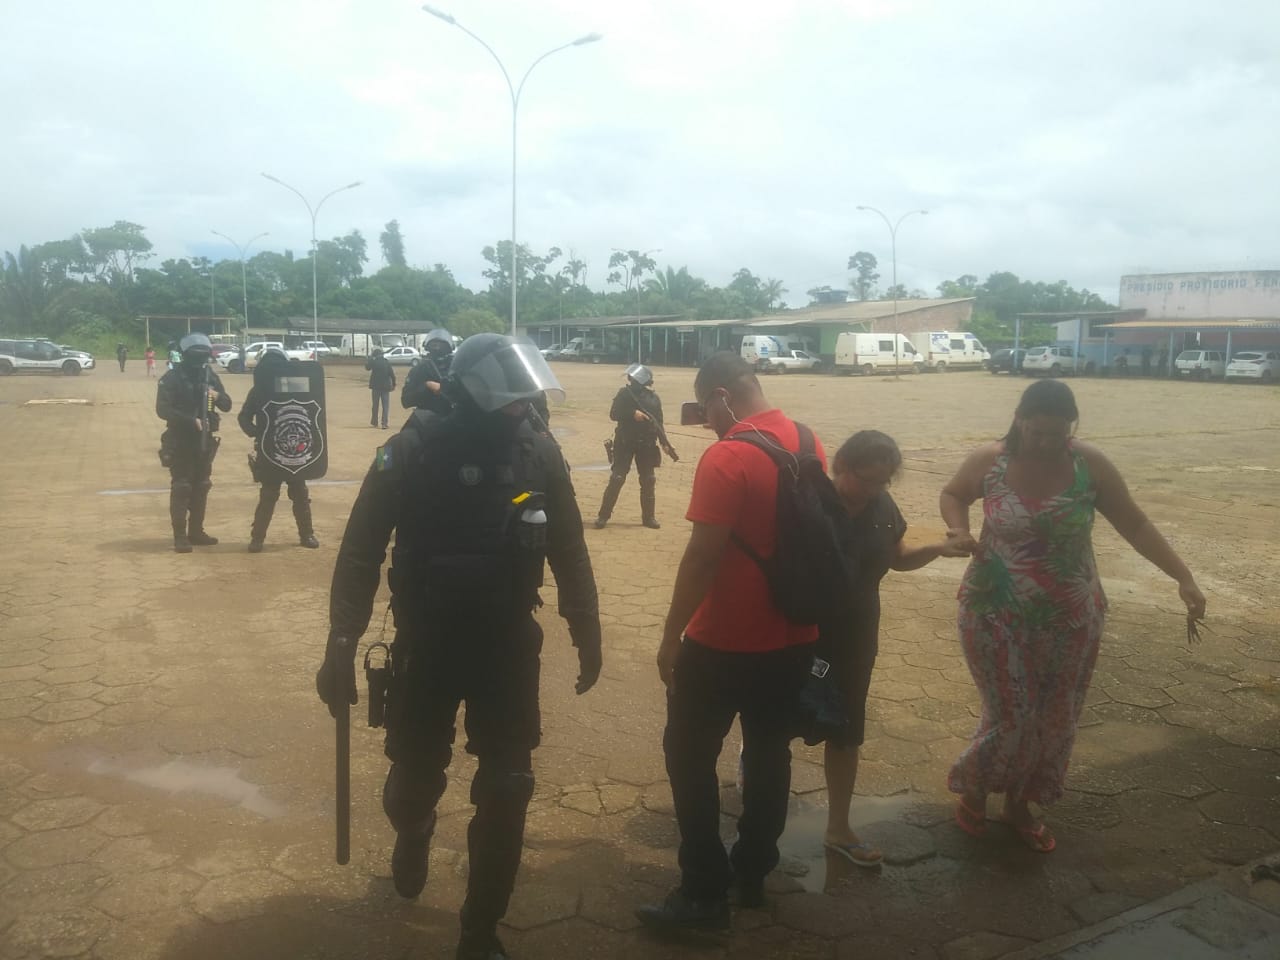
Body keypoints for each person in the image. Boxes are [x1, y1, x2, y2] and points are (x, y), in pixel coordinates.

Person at [317, 333, 603, 960]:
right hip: (428, 645)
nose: (524, 403)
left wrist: (586, 623)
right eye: (511, 393)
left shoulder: (539, 452)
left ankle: (479, 933)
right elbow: (361, 550)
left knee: (509, 786)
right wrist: (342, 640)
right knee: (416, 781)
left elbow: (570, 546)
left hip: (507, 645)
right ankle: (414, 832)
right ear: (472, 388)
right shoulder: (411, 449)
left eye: (528, 391)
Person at [939, 380, 1206, 852]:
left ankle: (1021, 803)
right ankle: (976, 788)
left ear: (1071, 428)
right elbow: (954, 493)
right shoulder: (990, 460)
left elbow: (1135, 523)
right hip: (993, 609)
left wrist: (1183, 577)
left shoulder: (1090, 464)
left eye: (1058, 434)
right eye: (1038, 431)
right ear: (1020, 418)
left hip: (1073, 616)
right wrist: (957, 530)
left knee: (1055, 718)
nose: (1046, 442)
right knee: (1013, 713)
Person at [637, 351, 818, 934]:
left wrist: (670, 637)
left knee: (689, 758)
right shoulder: (809, 442)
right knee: (769, 754)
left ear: (719, 396)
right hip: (793, 637)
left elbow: (702, 558)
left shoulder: (728, 456)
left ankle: (702, 894)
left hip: (721, 643)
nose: (707, 419)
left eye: (705, 406)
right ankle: (752, 873)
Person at [820, 431, 970, 867]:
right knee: (772, 728)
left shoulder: (883, 509)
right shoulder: (809, 503)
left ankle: (838, 828)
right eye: (865, 480)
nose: (873, 490)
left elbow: (897, 557)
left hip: (855, 637)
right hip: (798, 633)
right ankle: (757, 820)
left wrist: (940, 549)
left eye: (883, 483)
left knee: (846, 733)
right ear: (841, 466)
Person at [155, 333, 233, 553]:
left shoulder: (210, 376)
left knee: (202, 486)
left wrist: (216, 396)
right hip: (180, 439)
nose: (199, 362)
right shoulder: (172, 378)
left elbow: (227, 405)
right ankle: (180, 536)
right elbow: (163, 409)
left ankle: (196, 532)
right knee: (182, 487)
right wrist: (190, 420)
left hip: (204, 441)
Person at [237, 348, 320, 553]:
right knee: (269, 496)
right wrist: (260, 434)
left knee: (299, 494)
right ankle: (257, 538)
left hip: (294, 453)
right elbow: (244, 418)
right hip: (270, 452)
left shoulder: (295, 386)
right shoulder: (258, 391)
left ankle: (306, 534)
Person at [594, 363, 675, 530]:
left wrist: (664, 442)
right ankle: (603, 516)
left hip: (646, 444)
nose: (631, 381)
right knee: (617, 478)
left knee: (648, 480)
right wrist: (632, 414)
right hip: (625, 442)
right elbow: (613, 414)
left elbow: (658, 422)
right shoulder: (624, 394)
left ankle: (648, 518)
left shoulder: (653, 398)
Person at [401, 328, 455, 414]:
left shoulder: (457, 368)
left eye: (441, 345)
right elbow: (405, 400)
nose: (437, 348)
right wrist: (426, 387)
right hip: (427, 419)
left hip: (455, 418)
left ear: (449, 347)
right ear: (428, 347)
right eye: (434, 345)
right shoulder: (419, 369)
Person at [365, 348, 396, 429]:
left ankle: (375, 422)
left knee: (375, 405)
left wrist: (370, 358)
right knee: (385, 406)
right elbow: (392, 374)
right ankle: (384, 423)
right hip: (385, 387)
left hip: (375, 387)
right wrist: (394, 384)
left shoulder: (374, 362)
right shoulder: (386, 362)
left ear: (375, 355)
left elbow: (367, 368)